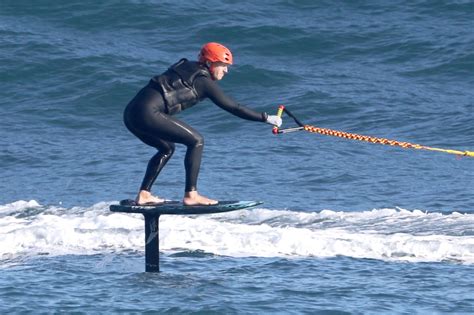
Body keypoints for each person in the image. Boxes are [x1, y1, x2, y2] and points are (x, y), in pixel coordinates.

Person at [123, 42, 282, 206]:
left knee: (166, 148)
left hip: (131, 114)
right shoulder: (203, 81)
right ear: (209, 63)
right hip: (148, 113)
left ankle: (144, 194)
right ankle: (191, 195)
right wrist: (266, 118)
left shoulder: (188, 68)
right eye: (223, 65)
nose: (226, 70)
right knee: (196, 141)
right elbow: (234, 107)